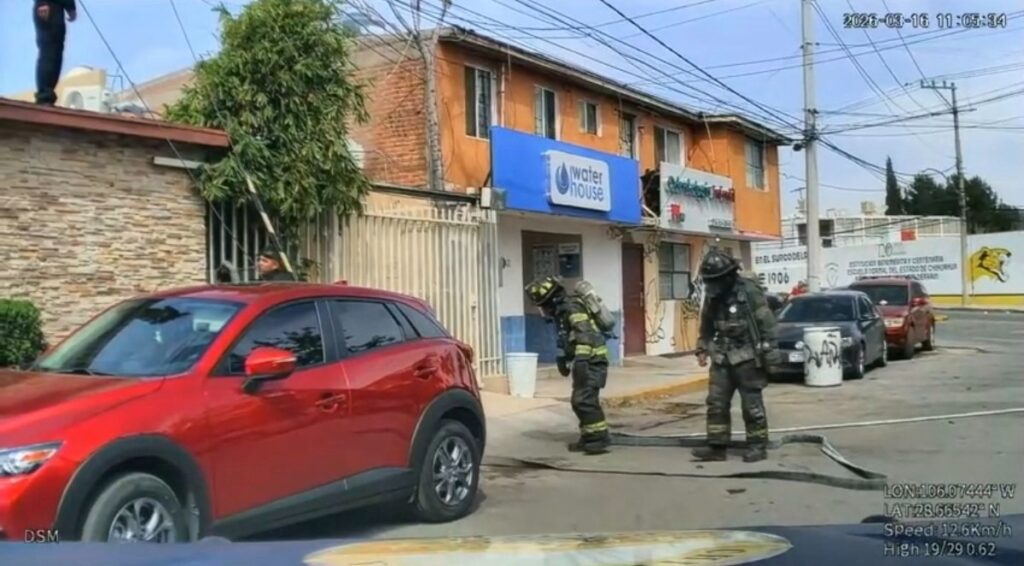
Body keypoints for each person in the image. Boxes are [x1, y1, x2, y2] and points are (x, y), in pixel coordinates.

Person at [692, 250, 779, 463]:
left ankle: (757, 446)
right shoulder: (713, 294)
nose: (714, 284)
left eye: (717, 279)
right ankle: (717, 447)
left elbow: (766, 323)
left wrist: (771, 356)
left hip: (748, 357)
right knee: (716, 403)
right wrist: (702, 347)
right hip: (721, 357)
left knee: (751, 405)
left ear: (729, 276)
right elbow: (706, 323)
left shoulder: (749, 291)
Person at [525, 275, 610, 455]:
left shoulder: (572, 308)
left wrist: (581, 360)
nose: (544, 309)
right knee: (580, 401)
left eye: (544, 305)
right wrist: (563, 358)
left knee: (584, 400)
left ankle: (598, 439)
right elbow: (568, 338)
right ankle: (589, 436)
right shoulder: (562, 313)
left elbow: (585, 335)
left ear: (552, 300)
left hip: (593, 360)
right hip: (586, 360)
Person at [34, 0, 76, 106]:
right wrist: (42, 2)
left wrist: (70, 6)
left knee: (55, 53)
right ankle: (44, 96)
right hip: (49, 6)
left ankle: (46, 96)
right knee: (50, 51)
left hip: (56, 8)